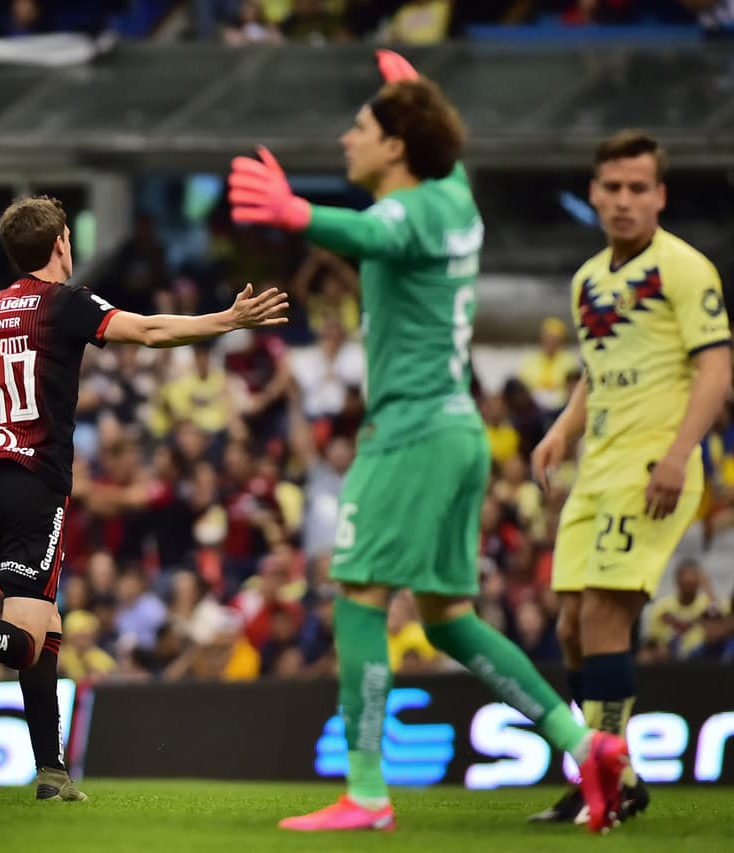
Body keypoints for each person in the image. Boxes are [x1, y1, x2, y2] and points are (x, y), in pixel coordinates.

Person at [225, 49, 629, 834]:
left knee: (359, 596)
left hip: (409, 432)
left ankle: (368, 792)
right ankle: (584, 744)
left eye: (363, 126)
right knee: (446, 617)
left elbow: (364, 228)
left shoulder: (407, 215)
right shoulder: (452, 194)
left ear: (397, 147)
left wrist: (295, 210)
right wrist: (416, 96)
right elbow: (425, 178)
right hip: (455, 430)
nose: (347, 138)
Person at [0, 195, 288, 801]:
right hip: (32, 482)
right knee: (23, 638)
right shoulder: (66, 304)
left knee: (46, 625)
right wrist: (227, 321)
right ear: (61, 245)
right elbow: (147, 331)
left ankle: (51, 773)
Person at [527, 130, 732, 825]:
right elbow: (596, 369)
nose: (623, 200)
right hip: (598, 468)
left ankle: (605, 783)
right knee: (572, 628)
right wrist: (562, 429)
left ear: (660, 196)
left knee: (604, 613)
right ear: (593, 193)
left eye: (638, 188)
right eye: (612, 187)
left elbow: (716, 368)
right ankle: (615, 772)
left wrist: (680, 454)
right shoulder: (588, 279)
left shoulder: (685, 268)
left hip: (653, 466)